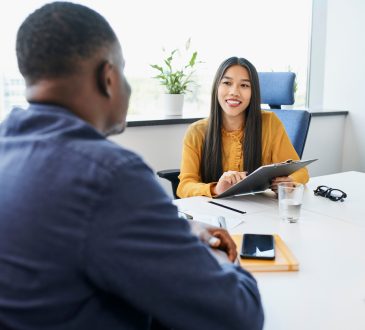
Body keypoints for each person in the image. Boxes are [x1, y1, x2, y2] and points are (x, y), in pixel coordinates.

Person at [0, 2, 264, 329]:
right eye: (124, 70)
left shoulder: (7, 146)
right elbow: (239, 315)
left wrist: (181, 231)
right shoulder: (111, 176)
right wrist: (216, 256)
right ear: (107, 77)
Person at [177, 57, 309, 198]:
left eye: (244, 85)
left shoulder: (270, 123)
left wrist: (289, 182)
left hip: (259, 211)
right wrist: (216, 189)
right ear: (216, 87)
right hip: (213, 213)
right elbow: (184, 187)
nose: (234, 92)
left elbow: (301, 172)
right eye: (227, 83)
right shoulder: (196, 132)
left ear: (253, 92)